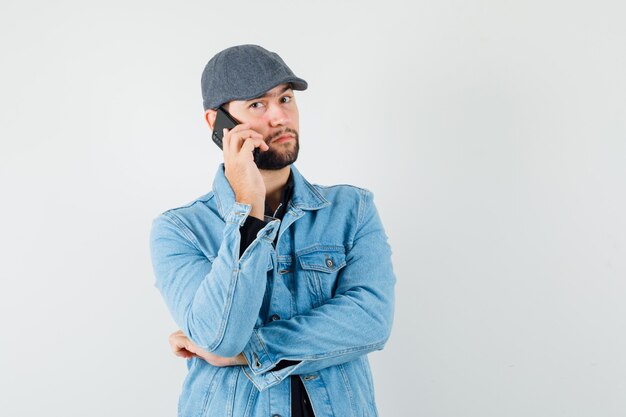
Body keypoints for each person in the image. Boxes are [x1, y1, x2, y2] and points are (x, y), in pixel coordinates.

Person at [150, 44, 396, 417]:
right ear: (216, 125)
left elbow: (371, 320)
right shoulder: (180, 230)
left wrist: (252, 350)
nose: (280, 116)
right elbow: (221, 337)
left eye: (285, 98)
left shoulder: (351, 209)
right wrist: (248, 204)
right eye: (257, 105)